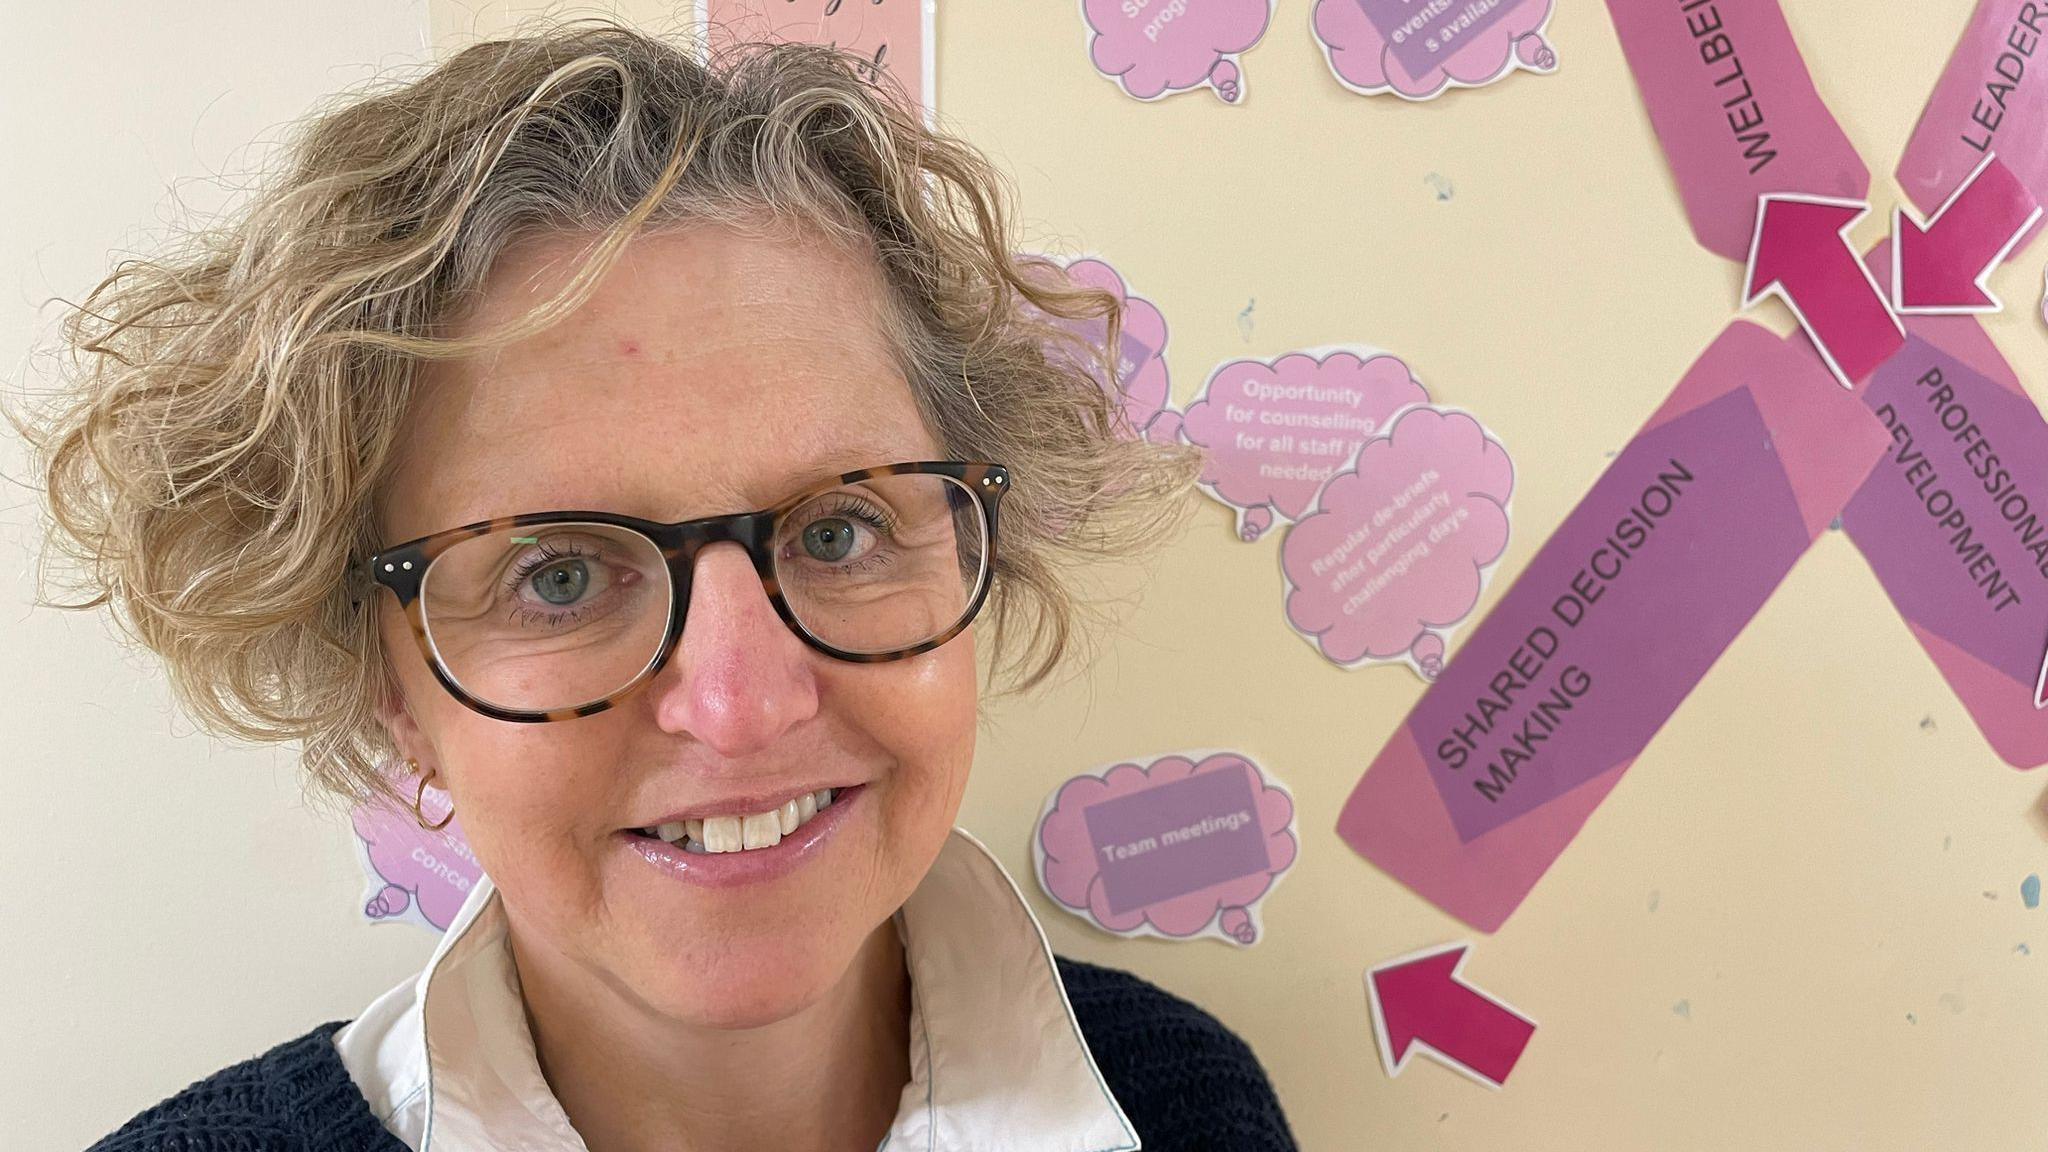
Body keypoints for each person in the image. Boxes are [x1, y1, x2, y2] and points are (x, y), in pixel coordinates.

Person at [13, 19, 1299, 1152]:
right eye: (559, 574)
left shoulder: (1183, 1103)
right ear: (393, 691)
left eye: (841, 531)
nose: (742, 709)